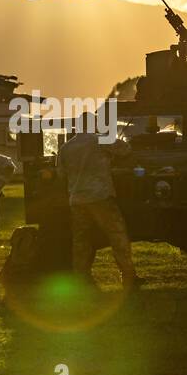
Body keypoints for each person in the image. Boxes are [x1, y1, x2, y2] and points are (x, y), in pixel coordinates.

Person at [56, 113, 141, 289]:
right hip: (100, 197)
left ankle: (81, 278)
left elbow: (61, 174)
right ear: (94, 124)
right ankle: (128, 277)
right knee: (117, 236)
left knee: (81, 240)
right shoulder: (100, 140)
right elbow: (126, 149)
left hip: (77, 199)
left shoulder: (66, 147)